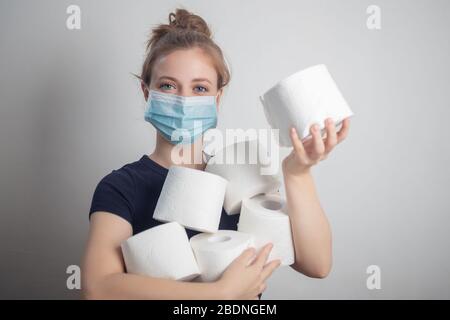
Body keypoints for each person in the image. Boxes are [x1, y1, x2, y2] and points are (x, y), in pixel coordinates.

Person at [81, 7, 350, 300]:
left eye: (200, 88)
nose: (184, 100)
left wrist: (297, 172)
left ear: (217, 98)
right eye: (168, 85)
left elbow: (318, 264)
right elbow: (99, 288)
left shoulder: (243, 185)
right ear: (147, 93)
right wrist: (221, 292)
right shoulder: (122, 186)